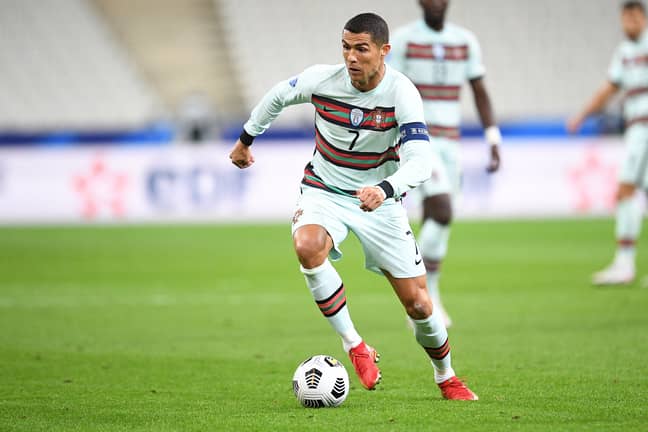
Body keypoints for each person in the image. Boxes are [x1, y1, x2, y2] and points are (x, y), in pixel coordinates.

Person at [228, 12, 477, 400]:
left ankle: (446, 376)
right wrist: (246, 140)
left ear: (384, 51)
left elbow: (422, 163)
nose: (351, 57)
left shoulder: (401, 93)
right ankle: (354, 345)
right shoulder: (323, 81)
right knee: (307, 247)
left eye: (361, 49)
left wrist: (386, 187)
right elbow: (278, 95)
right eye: (346, 48)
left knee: (418, 304)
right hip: (323, 190)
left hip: (380, 202)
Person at [388, 0, 502, 327]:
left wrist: (492, 137)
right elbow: (390, 86)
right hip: (418, 139)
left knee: (438, 222)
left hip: (452, 143)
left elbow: (479, 90)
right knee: (442, 210)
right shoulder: (406, 39)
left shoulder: (464, 41)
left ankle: (424, 299)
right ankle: (422, 297)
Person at [567, 0, 648, 285]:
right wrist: (582, 116)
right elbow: (609, 89)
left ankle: (624, 264)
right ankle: (624, 263)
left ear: (644, 18)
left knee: (625, 190)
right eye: (626, 17)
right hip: (637, 128)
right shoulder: (625, 52)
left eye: (635, 16)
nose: (630, 22)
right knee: (630, 191)